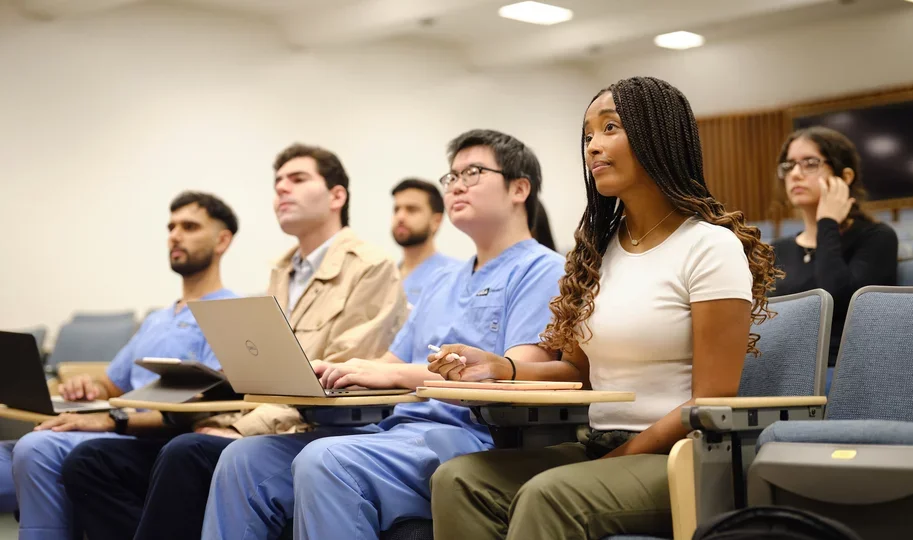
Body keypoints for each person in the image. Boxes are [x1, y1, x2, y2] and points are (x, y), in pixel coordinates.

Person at [428, 76, 781, 540]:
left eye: (610, 127)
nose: (593, 146)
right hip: (595, 445)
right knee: (459, 479)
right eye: (588, 134)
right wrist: (499, 367)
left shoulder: (709, 247)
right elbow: (577, 373)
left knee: (549, 494)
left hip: (680, 456)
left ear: (657, 136)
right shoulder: (597, 251)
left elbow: (712, 399)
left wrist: (621, 456)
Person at [202, 129, 566, 540]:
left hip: (472, 438)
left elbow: (517, 378)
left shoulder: (543, 270)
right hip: (398, 430)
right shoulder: (443, 281)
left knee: (326, 460)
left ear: (519, 188)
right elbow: (388, 364)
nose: (456, 185)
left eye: (473, 173)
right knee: (243, 460)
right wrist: (331, 371)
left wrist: (393, 374)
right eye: (451, 176)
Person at [60, 144, 407, 540]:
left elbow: (336, 380)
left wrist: (240, 429)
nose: (282, 189)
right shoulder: (282, 271)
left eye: (297, 179)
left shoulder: (371, 267)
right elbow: (258, 373)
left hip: (311, 432)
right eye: (278, 182)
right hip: (258, 422)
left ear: (336, 196)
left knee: (185, 452)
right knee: (91, 461)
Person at [4, 191, 240, 540]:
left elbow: (207, 403)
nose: (175, 236)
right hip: (122, 426)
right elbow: (112, 385)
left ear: (222, 240)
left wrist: (113, 419)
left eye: (189, 227)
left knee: (36, 448)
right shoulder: (158, 319)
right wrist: (88, 388)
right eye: (171, 227)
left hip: (156, 436)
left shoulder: (230, 313)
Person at [770, 126, 898, 392]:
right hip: (780, 370)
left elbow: (834, 299)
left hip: (843, 375)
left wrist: (827, 222)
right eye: (789, 165)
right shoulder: (776, 250)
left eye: (810, 163)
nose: (795, 174)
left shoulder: (876, 238)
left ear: (845, 176)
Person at [391, 178, 460, 306]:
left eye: (411, 209)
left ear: (436, 221)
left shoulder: (456, 276)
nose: (400, 217)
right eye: (396, 209)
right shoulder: (386, 276)